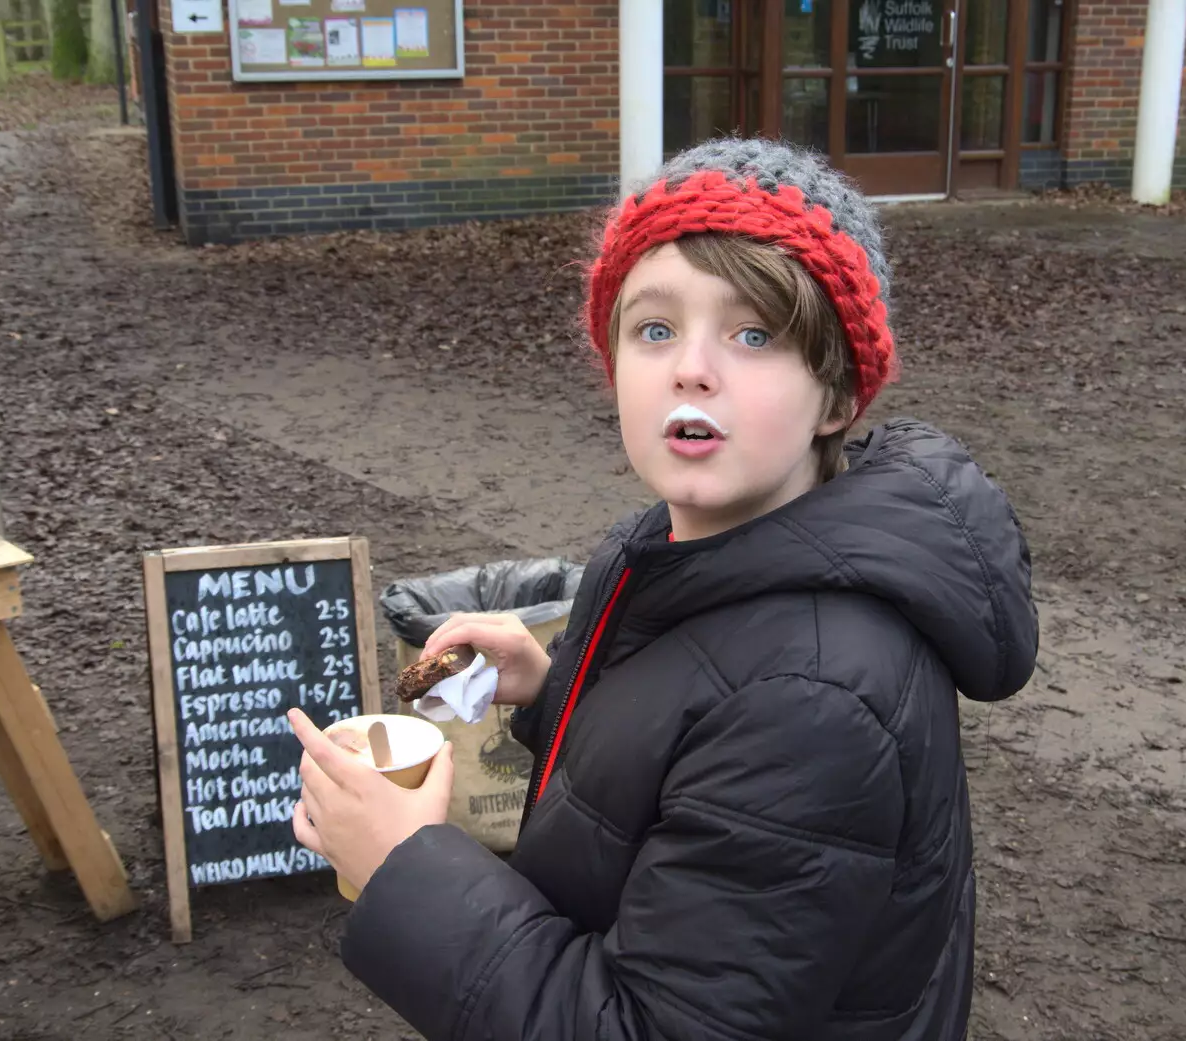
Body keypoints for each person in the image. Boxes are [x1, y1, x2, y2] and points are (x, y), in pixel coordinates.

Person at [286, 137, 1039, 1041]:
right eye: (655, 328)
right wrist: (556, 681)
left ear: (837, 396)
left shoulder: (812, 698)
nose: (691, 366)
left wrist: (405, 865)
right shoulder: (686, 549)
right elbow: (694, 738)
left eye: (754, 333)